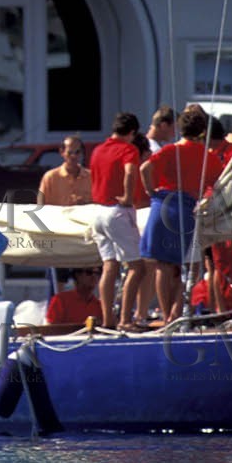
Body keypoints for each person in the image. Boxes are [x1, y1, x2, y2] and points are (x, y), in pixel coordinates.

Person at [140, 105, 223, 324]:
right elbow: (219, 185)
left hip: (162, 205)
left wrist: (150, 191)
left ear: (181, 128)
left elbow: (144, 168)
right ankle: (176, 312)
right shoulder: (208, 157)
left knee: (163, 265)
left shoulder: (169, 150)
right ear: (202, 131)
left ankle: (167, 315)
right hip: (186, 209)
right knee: (190, 266)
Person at [87, 113, 145, 330]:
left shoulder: (98, 150)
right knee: (137, 267)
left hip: (98, 211)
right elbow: (130, 171)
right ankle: (125, 320)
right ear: (132, 132)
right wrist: (128, 197)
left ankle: (108, 320)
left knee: (109, 266)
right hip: (117, 211)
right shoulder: (128, 149)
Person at [39, 136, 92, 206]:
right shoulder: (50, 177)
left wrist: (85, 204)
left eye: (77, 152)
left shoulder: (91, 177)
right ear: (62, 152)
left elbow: (98, 204)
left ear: (81, 153)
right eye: (70, 152)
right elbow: (41, 205)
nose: (74, 156)